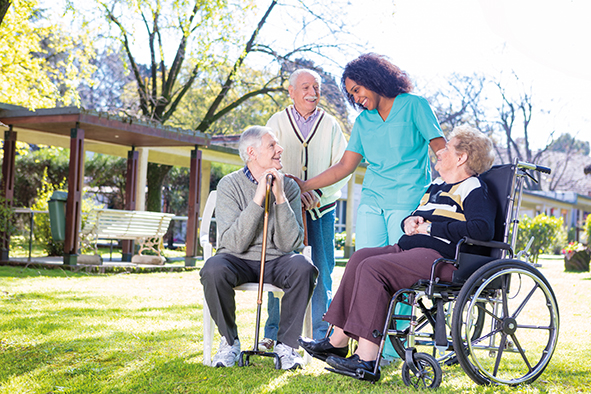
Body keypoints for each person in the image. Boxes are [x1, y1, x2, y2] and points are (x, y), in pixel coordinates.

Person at [298, 126, 496, 378]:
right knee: (360, 258)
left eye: (447, 147)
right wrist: (409, 222)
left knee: (374, 268)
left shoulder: (473, 187)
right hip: (413, 250)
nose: (440, 151)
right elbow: (418, 217)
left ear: (462, 157)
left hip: (443, 259)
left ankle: (367, 359)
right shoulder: (436, 185)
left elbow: (482, 229)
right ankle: (337, 342)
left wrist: (432, 227)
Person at [287, 53, 446, 362]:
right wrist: (304, 185)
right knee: (362, 267)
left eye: (358, 90)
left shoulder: (414, 106)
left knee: (398, 273)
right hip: (372, 199)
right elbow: (345, 165)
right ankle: (345, 340)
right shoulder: (363, 122)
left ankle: (387, 349)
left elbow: (441, 149)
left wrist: (457, 186)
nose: (356, 99)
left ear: (374, 79)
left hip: (408, 200)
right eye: (352, 95)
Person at [199, 126, 318, 370]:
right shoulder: (229, 185)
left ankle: (286, 346)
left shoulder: (290, 187)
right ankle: (230, 342)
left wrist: (280, 198)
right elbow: (233, 243)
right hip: (237, 260)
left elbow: (291, 244)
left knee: (303, 267)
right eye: (272, 145)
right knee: (213, 268)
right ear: (252, 152)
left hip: (277, 261)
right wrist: (257, 198)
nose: (280, 149)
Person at [259, 69, 350, 348]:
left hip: (321, 210)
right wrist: (289, 193)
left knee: (322, 270)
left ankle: (321, 334)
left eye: (317, 87)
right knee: (280, 269)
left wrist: (317, 192)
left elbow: (344, 168)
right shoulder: (276, 122)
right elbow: (265, 160)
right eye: (306, 87)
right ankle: (272, 334)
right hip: (283, 210)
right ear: (291, 91)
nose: (313, 93)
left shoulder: (331, 124)